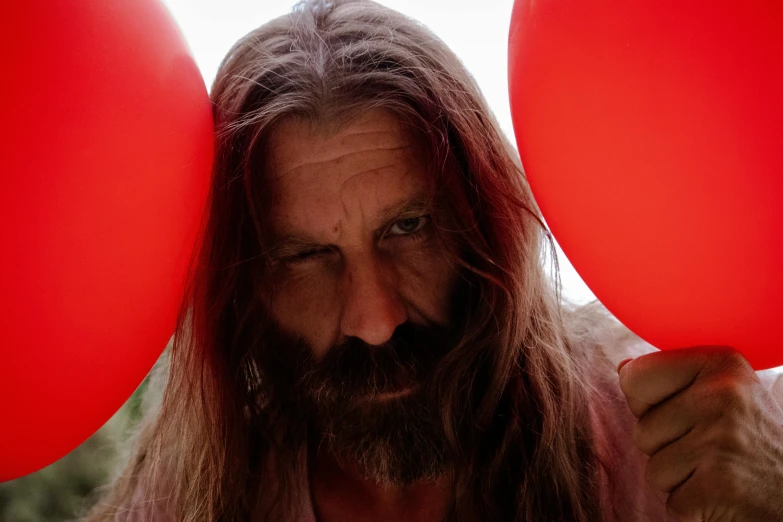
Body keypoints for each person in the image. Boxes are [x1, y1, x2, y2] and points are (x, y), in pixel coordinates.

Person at [83, 1, 783, 521]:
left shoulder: (678, 420)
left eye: (408, 227)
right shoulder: (197, 491)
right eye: (306, 255)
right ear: (244, 284)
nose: (376, 319)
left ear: (485, 222)